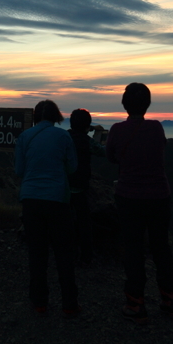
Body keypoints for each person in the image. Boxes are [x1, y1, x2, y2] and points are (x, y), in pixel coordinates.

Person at [106, 84, 173, 323]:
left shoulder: (116, 130)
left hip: (129, 197)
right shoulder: (157, 128)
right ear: (147, 104)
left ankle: (136, 303)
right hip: (159, 195)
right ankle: (170, 300)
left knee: (133, 249)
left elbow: (111, 156)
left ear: (124, 104)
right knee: (161, 247)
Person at [14, 100, 79, 316]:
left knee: (37, 252)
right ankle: (69, 304)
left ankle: (40, 302)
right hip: (57, 198)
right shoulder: (63, 136)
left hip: (31, 199)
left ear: (35, 116)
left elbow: (19, 169)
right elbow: (72, 167)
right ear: (56, 116)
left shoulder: (25, 137)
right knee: (63, 253)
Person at [67, 108, 104, 266]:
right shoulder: (87, 141)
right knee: (84, 221)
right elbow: (102, 151)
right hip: (81, 186)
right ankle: (86, 256)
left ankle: (68, 253)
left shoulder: (65, 137)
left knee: (66, 220)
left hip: (64, 186)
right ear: (87, 125)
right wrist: (98, 134)